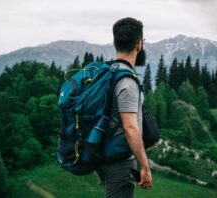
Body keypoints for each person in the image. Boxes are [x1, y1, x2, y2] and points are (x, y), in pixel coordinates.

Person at [96, 17, 152, 198]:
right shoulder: (127, 82)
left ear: (114, 43)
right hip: (118, 160)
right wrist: (144, 165)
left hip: (102, 153)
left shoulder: (107, 71)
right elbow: (129, 128)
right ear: (139, 45)